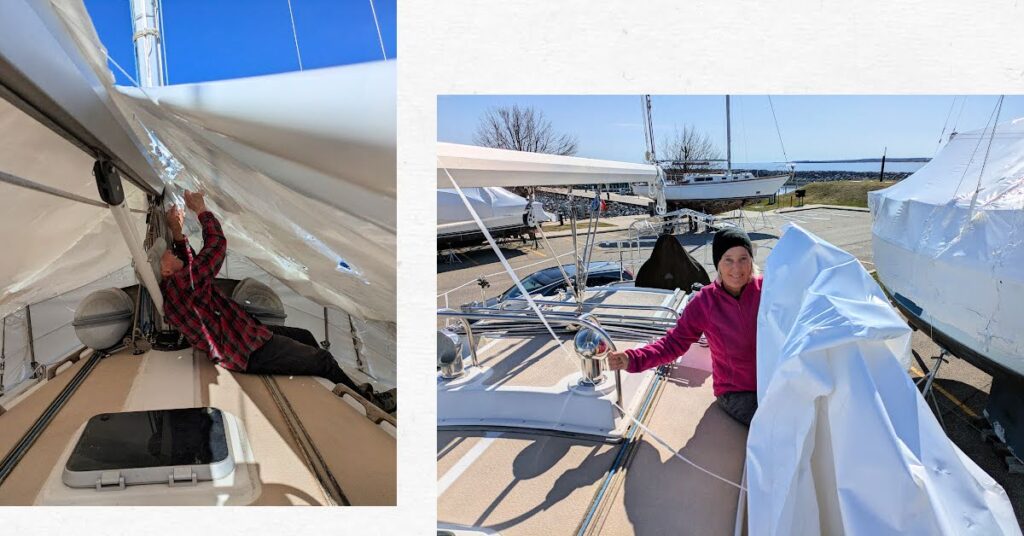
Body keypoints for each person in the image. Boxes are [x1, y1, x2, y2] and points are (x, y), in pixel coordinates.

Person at [158, 190, 396, 414]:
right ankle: (370, 405)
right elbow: (216, 246)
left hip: (244, 335)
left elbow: (189, 261)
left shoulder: (179, 285)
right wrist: (201, 210)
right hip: (247, 350)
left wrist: (177, 232)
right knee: (323, 360)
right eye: (168, 254)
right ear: (167, 271)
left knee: (304, 336)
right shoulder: (182, 284)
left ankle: (342, 386)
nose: (172, 252)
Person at [608, 227, 760, 426]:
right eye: (728, 260)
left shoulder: (767, 289)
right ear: (718, 264)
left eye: (743, 259)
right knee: (773, 427)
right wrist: (632, 359)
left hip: (771, 383)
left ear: (751, 261)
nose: (737, 268)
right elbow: (673, 344)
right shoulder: (705, 302)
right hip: (735, 392)